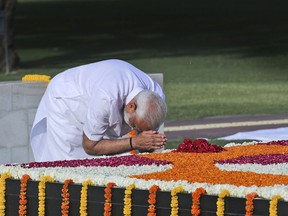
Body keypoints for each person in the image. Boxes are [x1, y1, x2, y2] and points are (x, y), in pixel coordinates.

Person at [30, 59, 168, 162]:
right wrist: (134, 142)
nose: (134, 129)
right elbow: (90, 146)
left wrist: (149, 141)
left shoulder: (156, 98)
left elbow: (145, 146)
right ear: (131, 106)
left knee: (115, 163)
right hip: (67, 101)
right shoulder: (107, 98)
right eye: (135, 125)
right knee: (68, 162)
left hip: (98, 95)